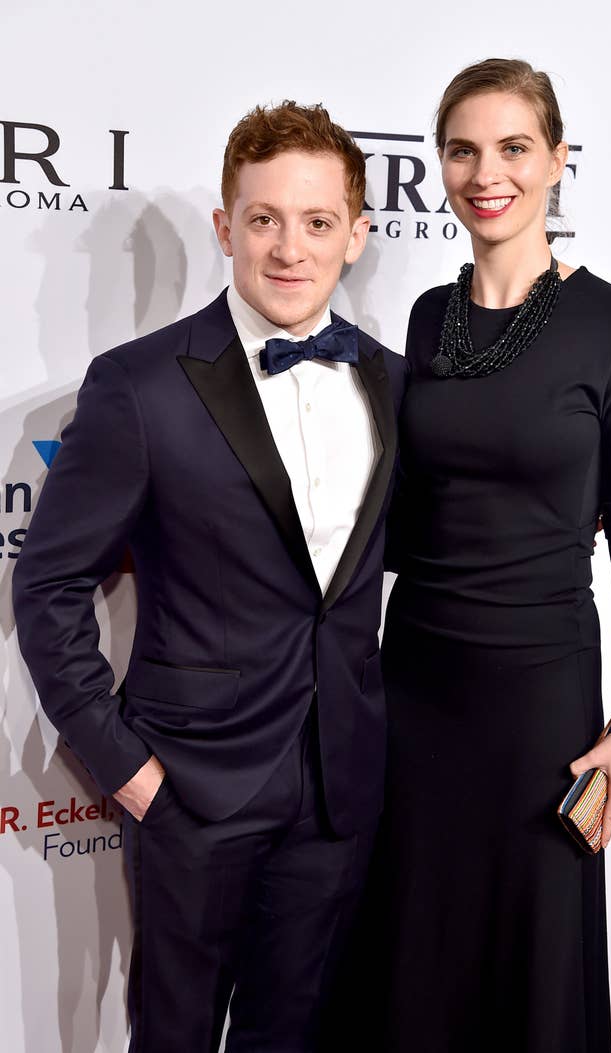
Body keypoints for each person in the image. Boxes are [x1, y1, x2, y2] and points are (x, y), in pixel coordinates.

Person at [12, 101, 407, 1053]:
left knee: (297, 1033)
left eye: (318, 222)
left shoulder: (396, 383)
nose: (289, 248)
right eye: (264, 219)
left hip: (337, 789)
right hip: (190, 788)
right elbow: (48, 585)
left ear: (356, 234)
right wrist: (128, 770)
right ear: (227, 227)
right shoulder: (141, 384)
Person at [376, 59, 611, 1052]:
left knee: (531, 954)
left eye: (511, 147)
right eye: (461, 149)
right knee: (415, 946)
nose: (484, 171)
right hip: (414, 681)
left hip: (539, 693)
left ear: (556, 161)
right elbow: (411, 511)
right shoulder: (427, 316)